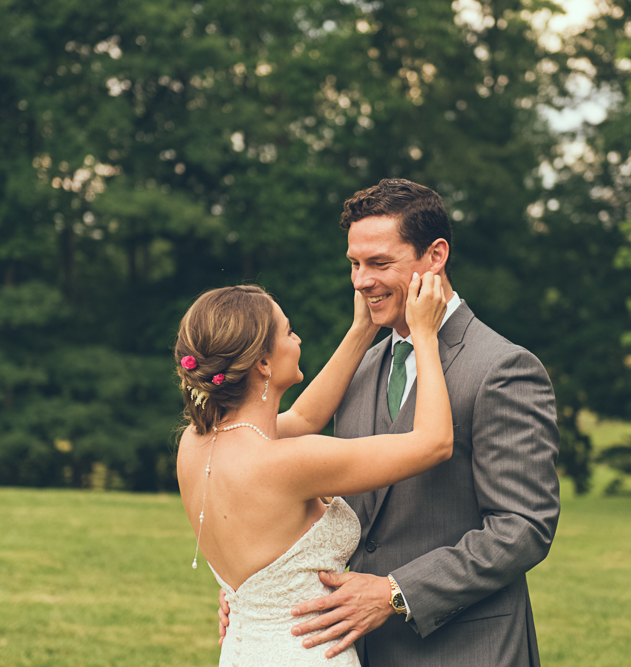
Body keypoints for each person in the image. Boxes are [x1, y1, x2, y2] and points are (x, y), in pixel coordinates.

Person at [220, 178, 561, 665]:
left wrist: (394, 592)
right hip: (355, 649)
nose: (361, 281)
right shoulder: (358, 366)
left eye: (380, 263)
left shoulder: (504, 369)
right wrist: (252, 586)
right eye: (355, 264)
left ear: (435, 256)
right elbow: (316, 498)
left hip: (465, 649)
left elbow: (524, 527)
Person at [175, 273, 452, 667]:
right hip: (305, 655)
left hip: (243, 650)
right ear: (264, 363)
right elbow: (433, 443)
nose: (298, 340)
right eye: (289, 332)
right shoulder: (287, 462)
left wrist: (362, 329)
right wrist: (425, 334)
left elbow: (305, 416)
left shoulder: (196, 442)